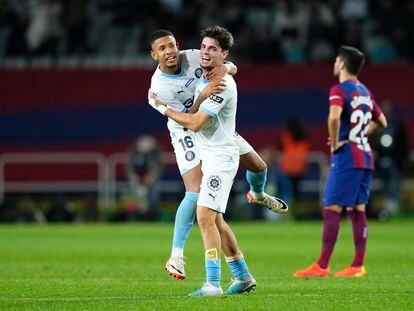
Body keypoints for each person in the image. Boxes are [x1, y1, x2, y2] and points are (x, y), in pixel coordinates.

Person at [148, 29, 287, 281]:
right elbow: (190, 118)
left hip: (215, 124)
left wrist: (228, 68)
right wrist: (197, 96)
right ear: (154, 54)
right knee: (195, 192)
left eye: (171, 46)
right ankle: (176, 255)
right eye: (162, 49)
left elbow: (221, 62)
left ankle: (257, 194)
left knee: (259, 167)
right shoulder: (160, 87)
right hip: (186, 129)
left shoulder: (192, 56)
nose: (169, 52)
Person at [294, 46, 387, 278]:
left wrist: (336, 143)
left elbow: (334, 116)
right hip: (366, 157)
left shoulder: (339, 90)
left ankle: (322, 265)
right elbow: (382, 121)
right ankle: (357, 265)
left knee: (331, 208)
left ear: (343, 64)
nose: (334, 63)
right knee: (357, 210)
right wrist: (362, 135)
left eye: (336, 60)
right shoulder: (365, 91)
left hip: (347, 157)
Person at [125, 135, 163, 220]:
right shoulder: (134, 153)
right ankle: (133, 217)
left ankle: (152, 216)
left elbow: (158, 168)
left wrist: (150, 177)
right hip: (136, 181)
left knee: (154, 194)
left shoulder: (155, 154)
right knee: (133, 194)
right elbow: (130, 169)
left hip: (151, 181)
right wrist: (135, 178)